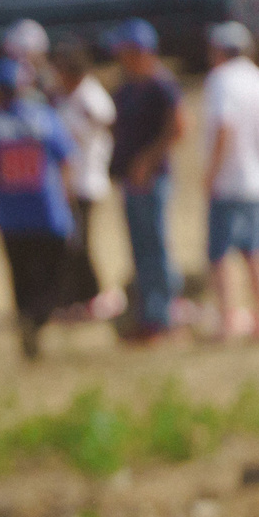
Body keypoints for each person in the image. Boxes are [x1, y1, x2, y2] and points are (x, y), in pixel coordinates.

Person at [0, 58, 75, 361]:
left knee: (21, 278)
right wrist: (68, 198)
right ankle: (36, 321)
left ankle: (29, 324)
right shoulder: (44, 117)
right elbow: (67, 159)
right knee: (52, 275)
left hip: (11, 218)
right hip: (48, 214)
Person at [202, 21, 259, 340]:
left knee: (221, 253)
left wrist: (211, 172)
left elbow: (226, 127)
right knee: (257, 252)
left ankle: (227, 321)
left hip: (230, 179)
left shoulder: (221, 80)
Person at [108, 20, 182, 341]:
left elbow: (179, 127)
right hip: (129, 179)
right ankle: (145, 313)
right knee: (139, 248)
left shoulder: (160, 85)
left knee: (156, 247)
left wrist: (147, 161)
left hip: (152, 179)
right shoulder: (125, 87)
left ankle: (163, 316)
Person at [47, 41, 114, 319]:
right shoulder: (64, 97)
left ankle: (90, 296)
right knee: (68, 243)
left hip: (85, 181)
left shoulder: (90, 98)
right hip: (67, 183)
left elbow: (100, 126)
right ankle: (70, 298)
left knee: (79, 244)